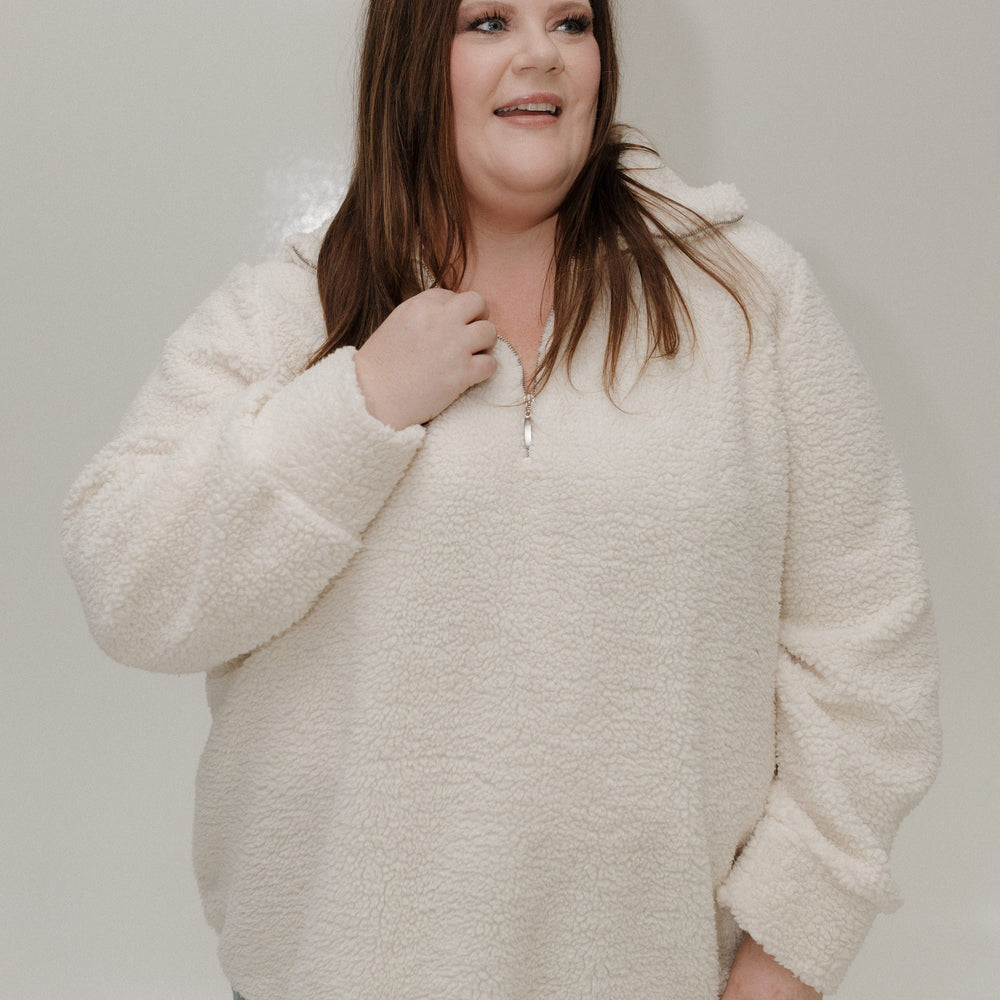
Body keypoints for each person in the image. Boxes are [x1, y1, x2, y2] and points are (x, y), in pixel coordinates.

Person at [62, 1, 942, 998]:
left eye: (571, 21)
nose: (540, 54)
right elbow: (125, 581)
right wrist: (357, 405)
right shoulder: (291, 313)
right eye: (487, 21)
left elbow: (869, 659)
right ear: (409, 56)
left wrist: (784, 960)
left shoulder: (748, 299)